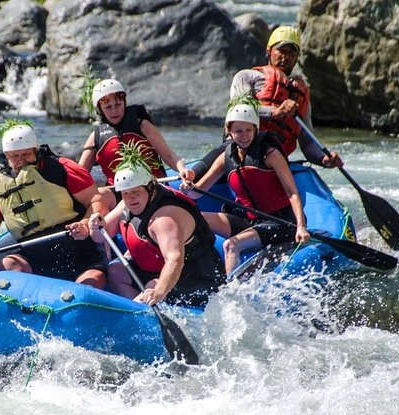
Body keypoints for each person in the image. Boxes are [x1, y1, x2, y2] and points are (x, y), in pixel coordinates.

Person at [0, 123, 109, 289]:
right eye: (15, 156)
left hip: (80, 251)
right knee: (9, 264)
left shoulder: (63, 169)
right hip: (35, 257)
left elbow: (96, 201)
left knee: (92, 282)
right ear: (7, 156)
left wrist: (85, 224)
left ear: (36, 151)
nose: (21, 160)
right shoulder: (0, 189)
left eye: (26, 154)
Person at [191, 26, 342, 180]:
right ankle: (192, 176)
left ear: (297, 58)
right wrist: (274, 112)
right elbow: (238, 110)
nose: (286, 57)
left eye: (292, 52)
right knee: (225, 150)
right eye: (281, 50)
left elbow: (308, 143)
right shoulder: (247, 77)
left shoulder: (300, 97)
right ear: (269, 51)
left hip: (274, 159)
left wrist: (324, 159)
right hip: (241, 148)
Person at [182, 101, 310, 275]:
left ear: (256, 129)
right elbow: (196, 192)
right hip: (250, 221)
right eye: (238, 131)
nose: (244, 136)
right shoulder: (226, 157)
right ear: (229, 131)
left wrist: (300, 227)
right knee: (195, 218)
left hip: (281, 222)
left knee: (231, 244)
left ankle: (229, 295)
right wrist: (187, 187)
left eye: (248, 130)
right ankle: (196, 271)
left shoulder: (270, 154)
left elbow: (292, 192)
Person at [88, 162, 225, 308]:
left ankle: (142, 311)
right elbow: (99, 236)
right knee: (116, 271)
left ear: (150, 188)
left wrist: (159, 291)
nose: (131, 198)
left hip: (200, 277)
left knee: (152, 285)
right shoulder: (128, 202)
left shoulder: (164, 219)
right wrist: (94, 225)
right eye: (126, 193)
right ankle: (142, 312)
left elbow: (175, 259)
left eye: (136, 192)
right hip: (158, 268)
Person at [79, 79, 195, 208]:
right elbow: (79, 174)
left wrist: (182, 170)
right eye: (108, 107)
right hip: (120, 193)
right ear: (100, 109)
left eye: (118, 104)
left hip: (150, 188)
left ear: (124, 102)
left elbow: (168, 155)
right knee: (99, 194)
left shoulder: (143, 126)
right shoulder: (95, 137)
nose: (114, 111)